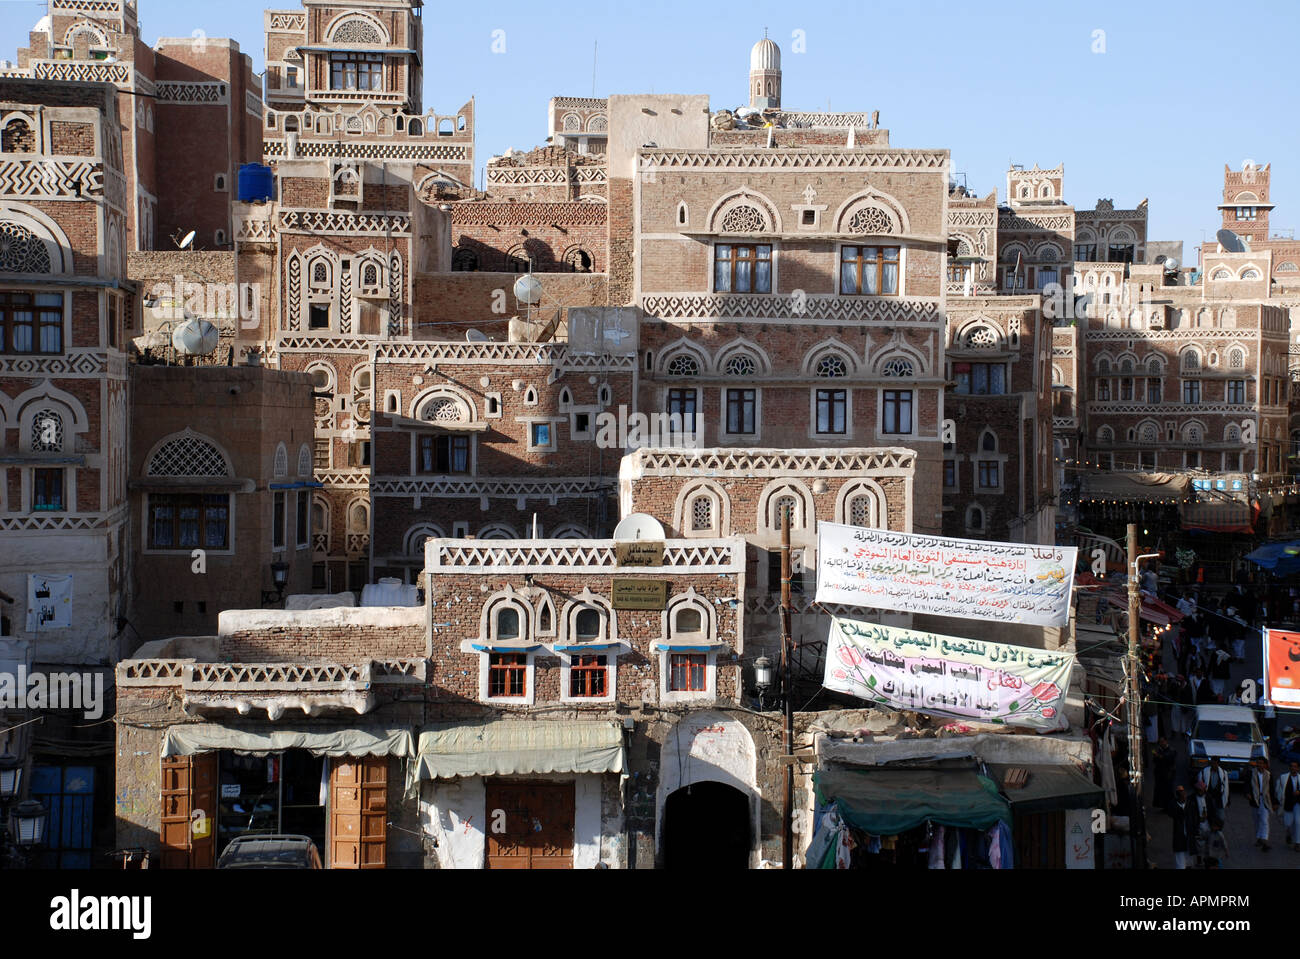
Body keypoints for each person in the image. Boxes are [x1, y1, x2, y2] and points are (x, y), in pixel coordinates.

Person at [1247, 758, 1274, 852]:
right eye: (1258, 763)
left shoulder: (1269, 775)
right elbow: (1246, 785)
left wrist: (1275, 803)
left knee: (1264, 820)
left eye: (1262, 763)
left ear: (1265, 765)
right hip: (1255, 799)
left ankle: (1264, 840)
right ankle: (1259, 838)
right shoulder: (1251, 773)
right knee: (1256, 820)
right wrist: (1248, 793)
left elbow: (1272, 789)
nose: (1259, 765)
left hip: (1265, 799)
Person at [1275, 760, 1300, 851]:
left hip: (1298, 804)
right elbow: (1278, 789)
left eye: (1295, 766)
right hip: (1287, 803)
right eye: (1292, 766)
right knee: (1288, 823)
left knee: (1298, 822)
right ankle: (1289, 834)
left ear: (1298, 768)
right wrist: (1277, 802)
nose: (1293, 768)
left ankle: (1297, 843)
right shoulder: (1283, 777)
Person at [1197, 757, 1230, 821]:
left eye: (1215, 763)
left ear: (1218, 764)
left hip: (1219, 798)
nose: (1213, 765)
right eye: (1212, 763)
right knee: (1208, 815)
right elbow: (1200, 785)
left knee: (1221, 817)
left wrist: (1228, 800)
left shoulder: (1223, 773)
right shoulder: (1203, 772)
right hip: (1207, 797)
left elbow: (1226, 788)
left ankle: (1218, 830)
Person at [1169, 785, 1193, 869]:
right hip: (1179, 835)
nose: (1184, 795)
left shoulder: (1189, 804)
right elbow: (1171, 813)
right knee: (1180, 860)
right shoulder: (1174, 805)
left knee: (1188, 860)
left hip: (1188, 835)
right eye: (1181, 794)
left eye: (1184, 793)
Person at [1190, 780, 1212, 865]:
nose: (1201, 791)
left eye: (1202, 789)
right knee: (1199, 844)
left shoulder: (1208, 797)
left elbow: (1212, 810)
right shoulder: (1192, 799)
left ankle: (1207, 861)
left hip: (1207, 824)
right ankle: (1199, 860)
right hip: (1198, 824)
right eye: (1199, 790)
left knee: (1208, 843)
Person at [1152, 737, 1176, 809]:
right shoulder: (1159, 750)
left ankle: (1170, 806)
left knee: (1168, 791)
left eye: (1163, 741)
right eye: (1160, 742)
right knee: (1161, 791)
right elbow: (1155, 761)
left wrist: (1159, 756)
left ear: (1166, 741)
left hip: (1168, 774)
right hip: (1160, 774)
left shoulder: (1172, 750)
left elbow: (1169, 759)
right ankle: (1163, 806)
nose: (1162, 743)